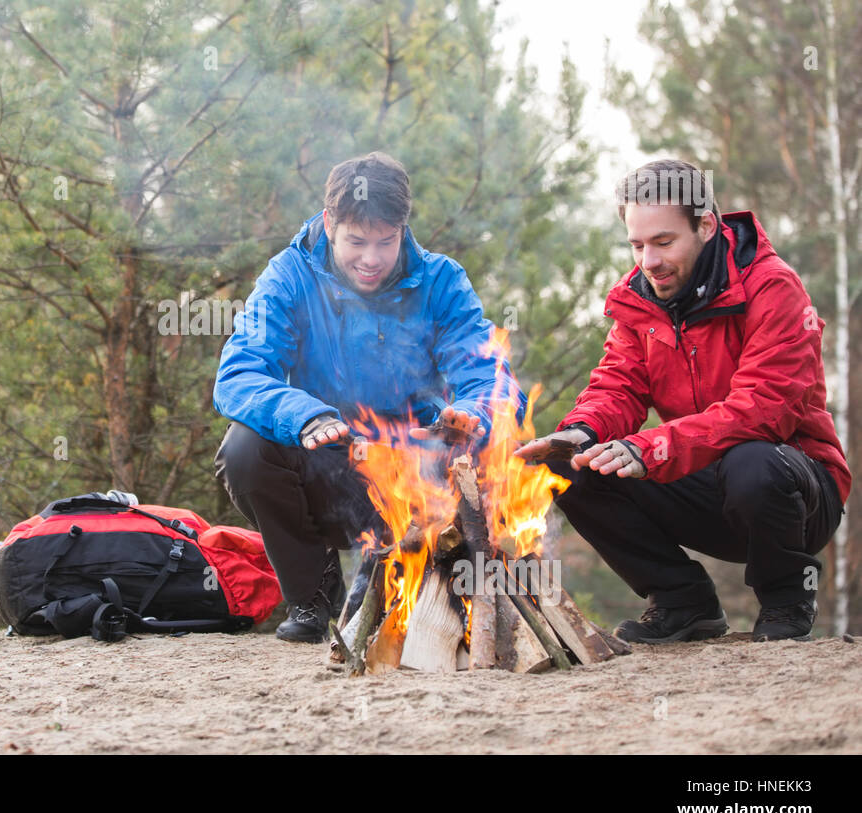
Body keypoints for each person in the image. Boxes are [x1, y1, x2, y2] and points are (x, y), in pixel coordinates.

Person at [516, 159, 850, 643]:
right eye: (637, 245)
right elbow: (617, 386)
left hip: (797, 491)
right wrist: (581, 432)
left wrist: (649, 447)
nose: (648, 261)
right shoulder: (639, 299)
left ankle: (787, 599)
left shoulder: (773, 287)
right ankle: (682, 601)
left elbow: (764, 409)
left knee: (752, 461)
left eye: (664, 242)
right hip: (703, 480)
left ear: (706, 226)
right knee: (573, 467)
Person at [212, 151, 521, 643]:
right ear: (330, 222)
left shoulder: (441, 280)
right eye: (356, 242)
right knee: (245, 450)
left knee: (487, 447)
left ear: (403, 227)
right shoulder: (289, 276)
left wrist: (470, 411)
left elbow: (490, 375)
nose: (372, 259)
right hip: (328, 464)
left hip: (416, 472)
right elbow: (239, 374)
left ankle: (433, 588)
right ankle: (313, 595)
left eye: (385, 242)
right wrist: (306, 416)